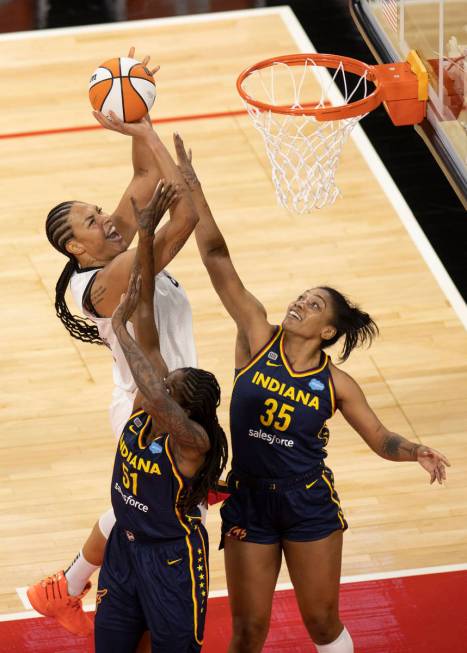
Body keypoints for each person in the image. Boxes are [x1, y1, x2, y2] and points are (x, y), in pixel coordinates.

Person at [174, 135, 451, 653]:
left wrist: (414, 450)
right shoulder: (257, 335)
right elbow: (216, 256)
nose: (302, 301)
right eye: (304, 295)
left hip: (308, 502)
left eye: (315, 303)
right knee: (247, 630)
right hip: (249, 497)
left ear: (328, 332)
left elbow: (378, 436)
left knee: (322, 621)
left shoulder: (336, 384)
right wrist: (195, 191)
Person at [27, 50, 200, 637]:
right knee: (161, 512)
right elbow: (182, 217)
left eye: (101, 210)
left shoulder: (113, 252)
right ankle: (71, 588)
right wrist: (148, 127)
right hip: (146, 408)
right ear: (77, 249)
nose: (107, 217)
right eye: (92, 220)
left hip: (174, 397)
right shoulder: (102, 283)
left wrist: (134, 110)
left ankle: (69, 587)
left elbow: (147, 180)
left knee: (155, 510)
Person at [94, 181, 228, 652]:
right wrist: (146, 234)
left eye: (168, 387)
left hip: (171, 559)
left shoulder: (192, 441)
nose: (158, 382)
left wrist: (120, 326)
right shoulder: (144, 410)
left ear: (181, 408)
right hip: (125, 552)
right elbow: (146, 304)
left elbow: (149, 376)